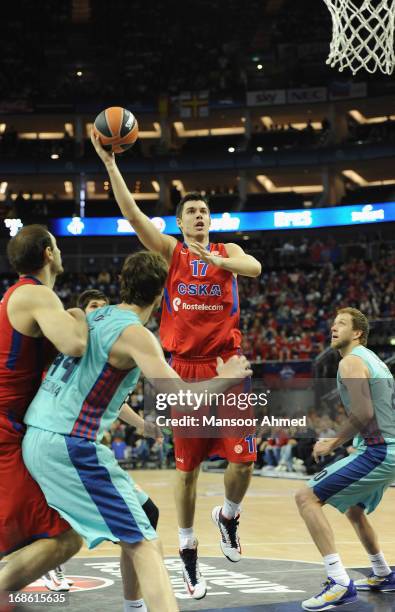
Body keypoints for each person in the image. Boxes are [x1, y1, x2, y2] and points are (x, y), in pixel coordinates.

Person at [21, 250, 252, 612]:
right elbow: (184, 399)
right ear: (164, 295)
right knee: (146, 544)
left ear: (121, 284)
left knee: (140, 517)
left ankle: (134, 606)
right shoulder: (138, 336)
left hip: (36, 433)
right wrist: (227, 378)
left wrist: (141, 422)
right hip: (68, 444)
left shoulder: (96, 315)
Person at [91, 132, 262, 599]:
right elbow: (131, 215)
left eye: (204, 211)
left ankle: (228, 516)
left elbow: (255, 268)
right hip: (184, 368)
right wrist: (110, 164)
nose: (199, 215)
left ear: (212, 220)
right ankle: (187, 549)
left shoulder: (226, 253)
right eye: (191, 211)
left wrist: (219, 259)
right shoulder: (172, 254)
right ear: (180, 220)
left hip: (227, 366)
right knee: (186, 470)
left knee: (245, 462)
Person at [0, 225, 87, 593]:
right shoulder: (35, 295)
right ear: (48, 253)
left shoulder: (16, 297)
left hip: (11, 426)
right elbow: (76, 345)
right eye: (58, 246)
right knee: (67, 536)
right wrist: (79, 315)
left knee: (19, 537)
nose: (61, 252)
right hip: (4, 427)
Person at [295, 307, 395, 610]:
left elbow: (363, 413)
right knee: (353, 509)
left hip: (379, 450)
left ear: (358, 333)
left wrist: (333, 442)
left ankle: (339, 583)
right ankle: (382, 573)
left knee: (305, 498)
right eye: (333, 323)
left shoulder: (352, 361)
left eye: (342, 324)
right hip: (384, 447)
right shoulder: (373, 359)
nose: (333, 328)